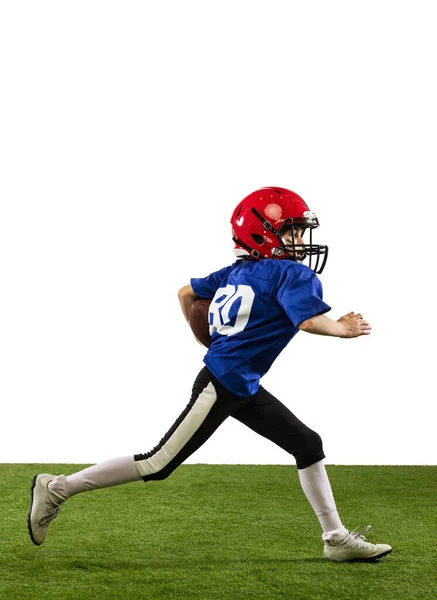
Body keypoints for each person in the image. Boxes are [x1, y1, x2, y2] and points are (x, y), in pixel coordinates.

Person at [28, 186, 392, 562]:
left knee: (307, 444)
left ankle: (335, 538)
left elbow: (186, 293)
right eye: (291, 232)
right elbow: (309, 321)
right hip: (220, 385)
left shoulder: (238, 271)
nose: (300, 241)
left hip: (240, 382)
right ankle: (57, 488)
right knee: (157, 464)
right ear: (262, 233)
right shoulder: (290, 273)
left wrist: (207, 338)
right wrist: (341, 328)